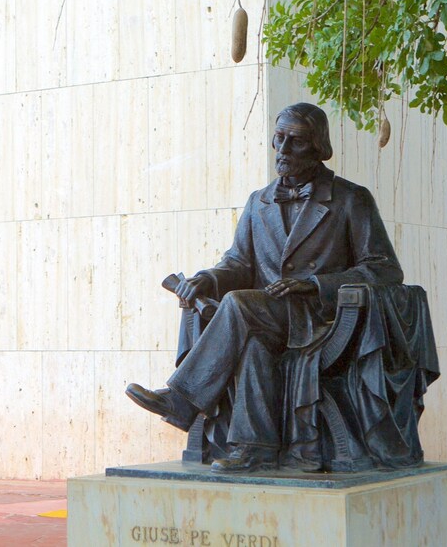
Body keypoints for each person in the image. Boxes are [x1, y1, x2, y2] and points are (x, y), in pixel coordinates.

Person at [126, 102, 403, 473]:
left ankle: (181, 399)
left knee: (239, 306)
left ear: (319, 147)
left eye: (296, 141)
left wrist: (315, 284)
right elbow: (238, 264)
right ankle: (255, 448)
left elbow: (385, 269)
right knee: (252, 339)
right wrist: (208, 279)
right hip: (267, 315)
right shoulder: (259, 202)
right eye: (279, 138)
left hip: (321, 318)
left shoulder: (351, 199)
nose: (283, 150)